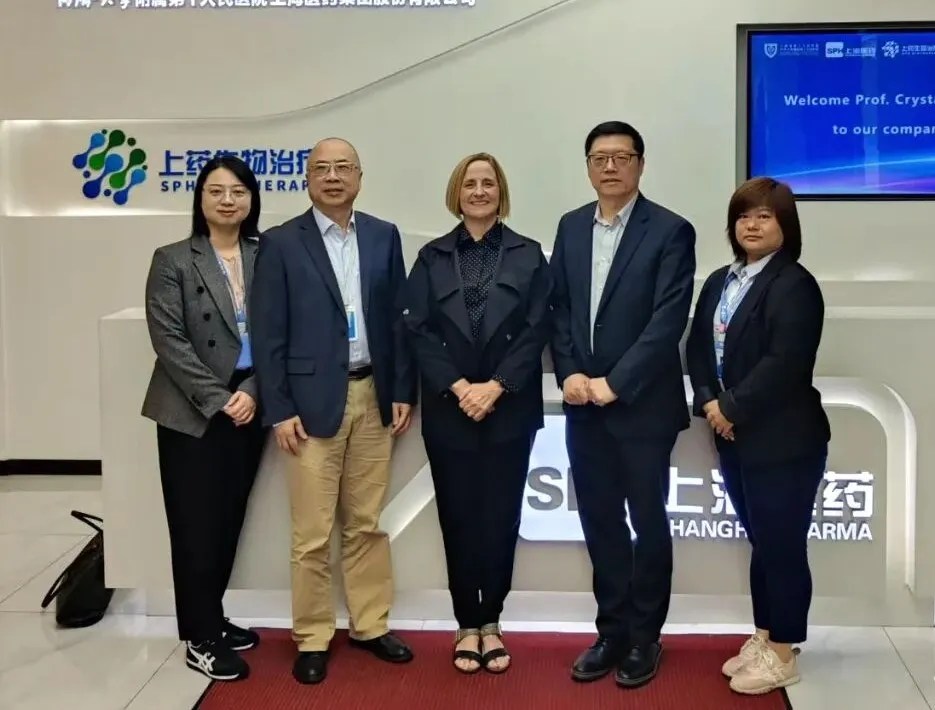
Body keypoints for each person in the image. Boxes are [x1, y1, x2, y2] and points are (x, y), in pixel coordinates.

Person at [249, 137, 417, 685]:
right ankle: (313, 635)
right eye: (321, 168)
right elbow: (268, 333)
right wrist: (279, 409)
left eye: (343, 167)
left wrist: (401, 389)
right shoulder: (280, 243)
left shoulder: (383, 235)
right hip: (308, 404)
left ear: (360, 177)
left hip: (373, 395)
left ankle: (370, 624)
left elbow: (398, 320)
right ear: (307, 179)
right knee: (313, 534)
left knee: (366, 524)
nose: (333, 176)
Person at [549, 121, 696, 689]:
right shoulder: (570, 226)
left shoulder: (671, 230)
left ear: (640, 164)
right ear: (588, 166)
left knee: (648, 522)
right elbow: (560, 308)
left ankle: (644, 636)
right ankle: (610, 631)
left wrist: (616, 381)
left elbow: (668, 320)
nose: (609, 166)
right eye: (599, 158)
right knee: (599, 520)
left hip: (641, 407)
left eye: (621, 157)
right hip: (584, 405)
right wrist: (570, 372)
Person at [400, 153, 552, 675]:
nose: (480, 191)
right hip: (451, 407)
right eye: (470, 183)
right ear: (457, 193)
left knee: (502, 518)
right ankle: (467, 622)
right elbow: (417, 328)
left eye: (489, 183)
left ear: (501, 192)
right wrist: (461, 386)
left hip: (509, 408)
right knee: (458, 517)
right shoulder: (432, 257)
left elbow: (537, 328)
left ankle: (492, 621)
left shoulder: (529, 255)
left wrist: (497, 387)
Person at [685, 176, 830, 696]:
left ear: (785, 225)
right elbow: (698, 348)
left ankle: (784, 653)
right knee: (762, 543)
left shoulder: (795, 284)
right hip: (734, 437)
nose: (751, 225)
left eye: (764, 216)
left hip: (785, 439)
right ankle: (766, 635)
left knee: (782, 545)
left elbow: (785, 363)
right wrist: (710, 401)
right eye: (743, 216)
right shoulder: (721, 281)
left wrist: (731, 407)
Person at [142, 155, 266, 682]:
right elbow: (168, 339)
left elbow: (280, 332)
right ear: (200, 199)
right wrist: (221, 397)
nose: (228, 200)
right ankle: (199, 637)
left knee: (229, 520)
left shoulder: (265, 255)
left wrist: (252, 391)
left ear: (251, 199)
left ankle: (212, 617)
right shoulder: (173, 258)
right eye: (216, 191)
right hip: (192, 411)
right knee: (194, 526)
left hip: (250, 405)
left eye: (238, 191)